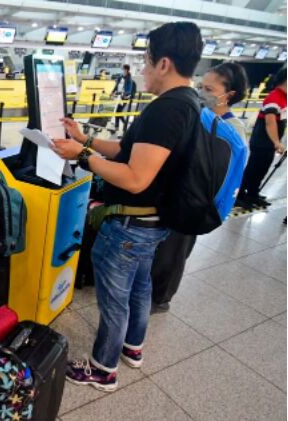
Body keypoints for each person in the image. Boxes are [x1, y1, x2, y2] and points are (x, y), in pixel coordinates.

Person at [53, 21, 203, 391]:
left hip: (130, 227)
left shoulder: (167, 110)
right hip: (152, 223)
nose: (142, 69)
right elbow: (126, 150)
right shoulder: (187, 102)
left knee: (115, 299)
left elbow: (136, 177)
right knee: (139, 287)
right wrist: (85, 138)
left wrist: (82, 155)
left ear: (164, 63)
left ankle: (103, 368)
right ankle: (132, 347)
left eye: (146, 61)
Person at [151, 61, 250, 314]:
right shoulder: (199, 115)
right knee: (164, 249)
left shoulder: (233, 129)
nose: (201, 92)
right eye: (200, 86)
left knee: (173, 253)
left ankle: (160, 299)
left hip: (197, 201)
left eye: (209, 88)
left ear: (229, 95)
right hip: (179, 194)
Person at [236, 69, 287, 209]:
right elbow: (269, 122)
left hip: (268, 143)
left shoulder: (284, 98)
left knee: (261, 170)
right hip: (261, 142)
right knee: (253, 169)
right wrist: (277, 142)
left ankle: (252, 194)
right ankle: (239, 195)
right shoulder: (274, 97)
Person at [113, 64, 135, 131]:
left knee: (118, 112)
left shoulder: (129, 79)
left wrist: (124, 94)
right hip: (119, 97)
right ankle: (120, 126)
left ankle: (122, 125)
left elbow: (129, 89)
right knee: (118, 112)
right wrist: (113, 91)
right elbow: (117, 85)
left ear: (126, 69)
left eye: (123, 69)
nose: (122, 70)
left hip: (124, 97)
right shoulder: (120, 77)